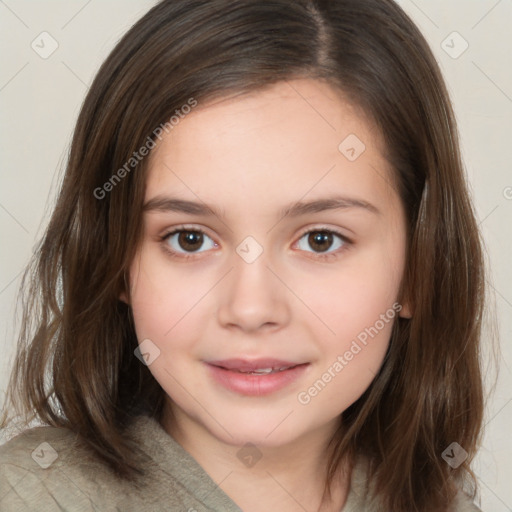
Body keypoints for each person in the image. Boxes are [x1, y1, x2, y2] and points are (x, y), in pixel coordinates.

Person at [0, 0, 489, 510]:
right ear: (117, 263)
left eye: (321, 239)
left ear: (418, 270)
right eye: (190, 239)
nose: (251, 309)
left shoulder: (442, 499)